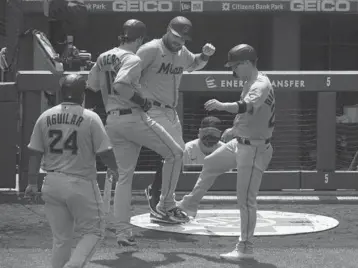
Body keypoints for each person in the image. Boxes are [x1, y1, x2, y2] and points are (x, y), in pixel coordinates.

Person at [86, 19, 188, 247]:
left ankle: (123, 232)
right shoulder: (132, 58)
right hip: (134, 117)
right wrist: (141, 100)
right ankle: (164, 205)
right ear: (140, 38)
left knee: (124, 178)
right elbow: (121, 86)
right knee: (176, 153)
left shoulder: (103, 56)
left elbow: (92, 85)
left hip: (112, 120)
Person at [176, 44, 275, 261]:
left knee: (246, 200)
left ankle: (245, 248)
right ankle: (188, 206)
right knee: (211, 163)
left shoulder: (260, 83)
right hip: (241, 142)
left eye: (235, 66)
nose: (233, 72)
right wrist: (234, 129)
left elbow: (245, 107)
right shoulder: (250, 80)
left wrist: (221, 106)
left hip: (255, 148)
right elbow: (252, 115)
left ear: (247, 63)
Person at [24, 73, 119, 268]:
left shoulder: (45, 116)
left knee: (61, 239)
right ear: (81, 94)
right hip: (80, 183)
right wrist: (116, 169)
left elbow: (34, 153)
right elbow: (105, 152)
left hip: (51, 183)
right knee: (95, 231)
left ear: (61, 92)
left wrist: (32, 183)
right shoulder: (90, 118)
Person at [138, 16, 216, 219]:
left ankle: (159, 195)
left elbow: (194, 64)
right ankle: (164, 203)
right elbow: (130, 75)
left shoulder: (182, 53)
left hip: (170, 111)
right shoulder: (150, 49)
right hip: (151, 109)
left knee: (176, 155)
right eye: (176, 36)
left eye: (183, 39)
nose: (179, 41)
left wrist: (205, 56)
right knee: (175, 154)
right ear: (167, 30)